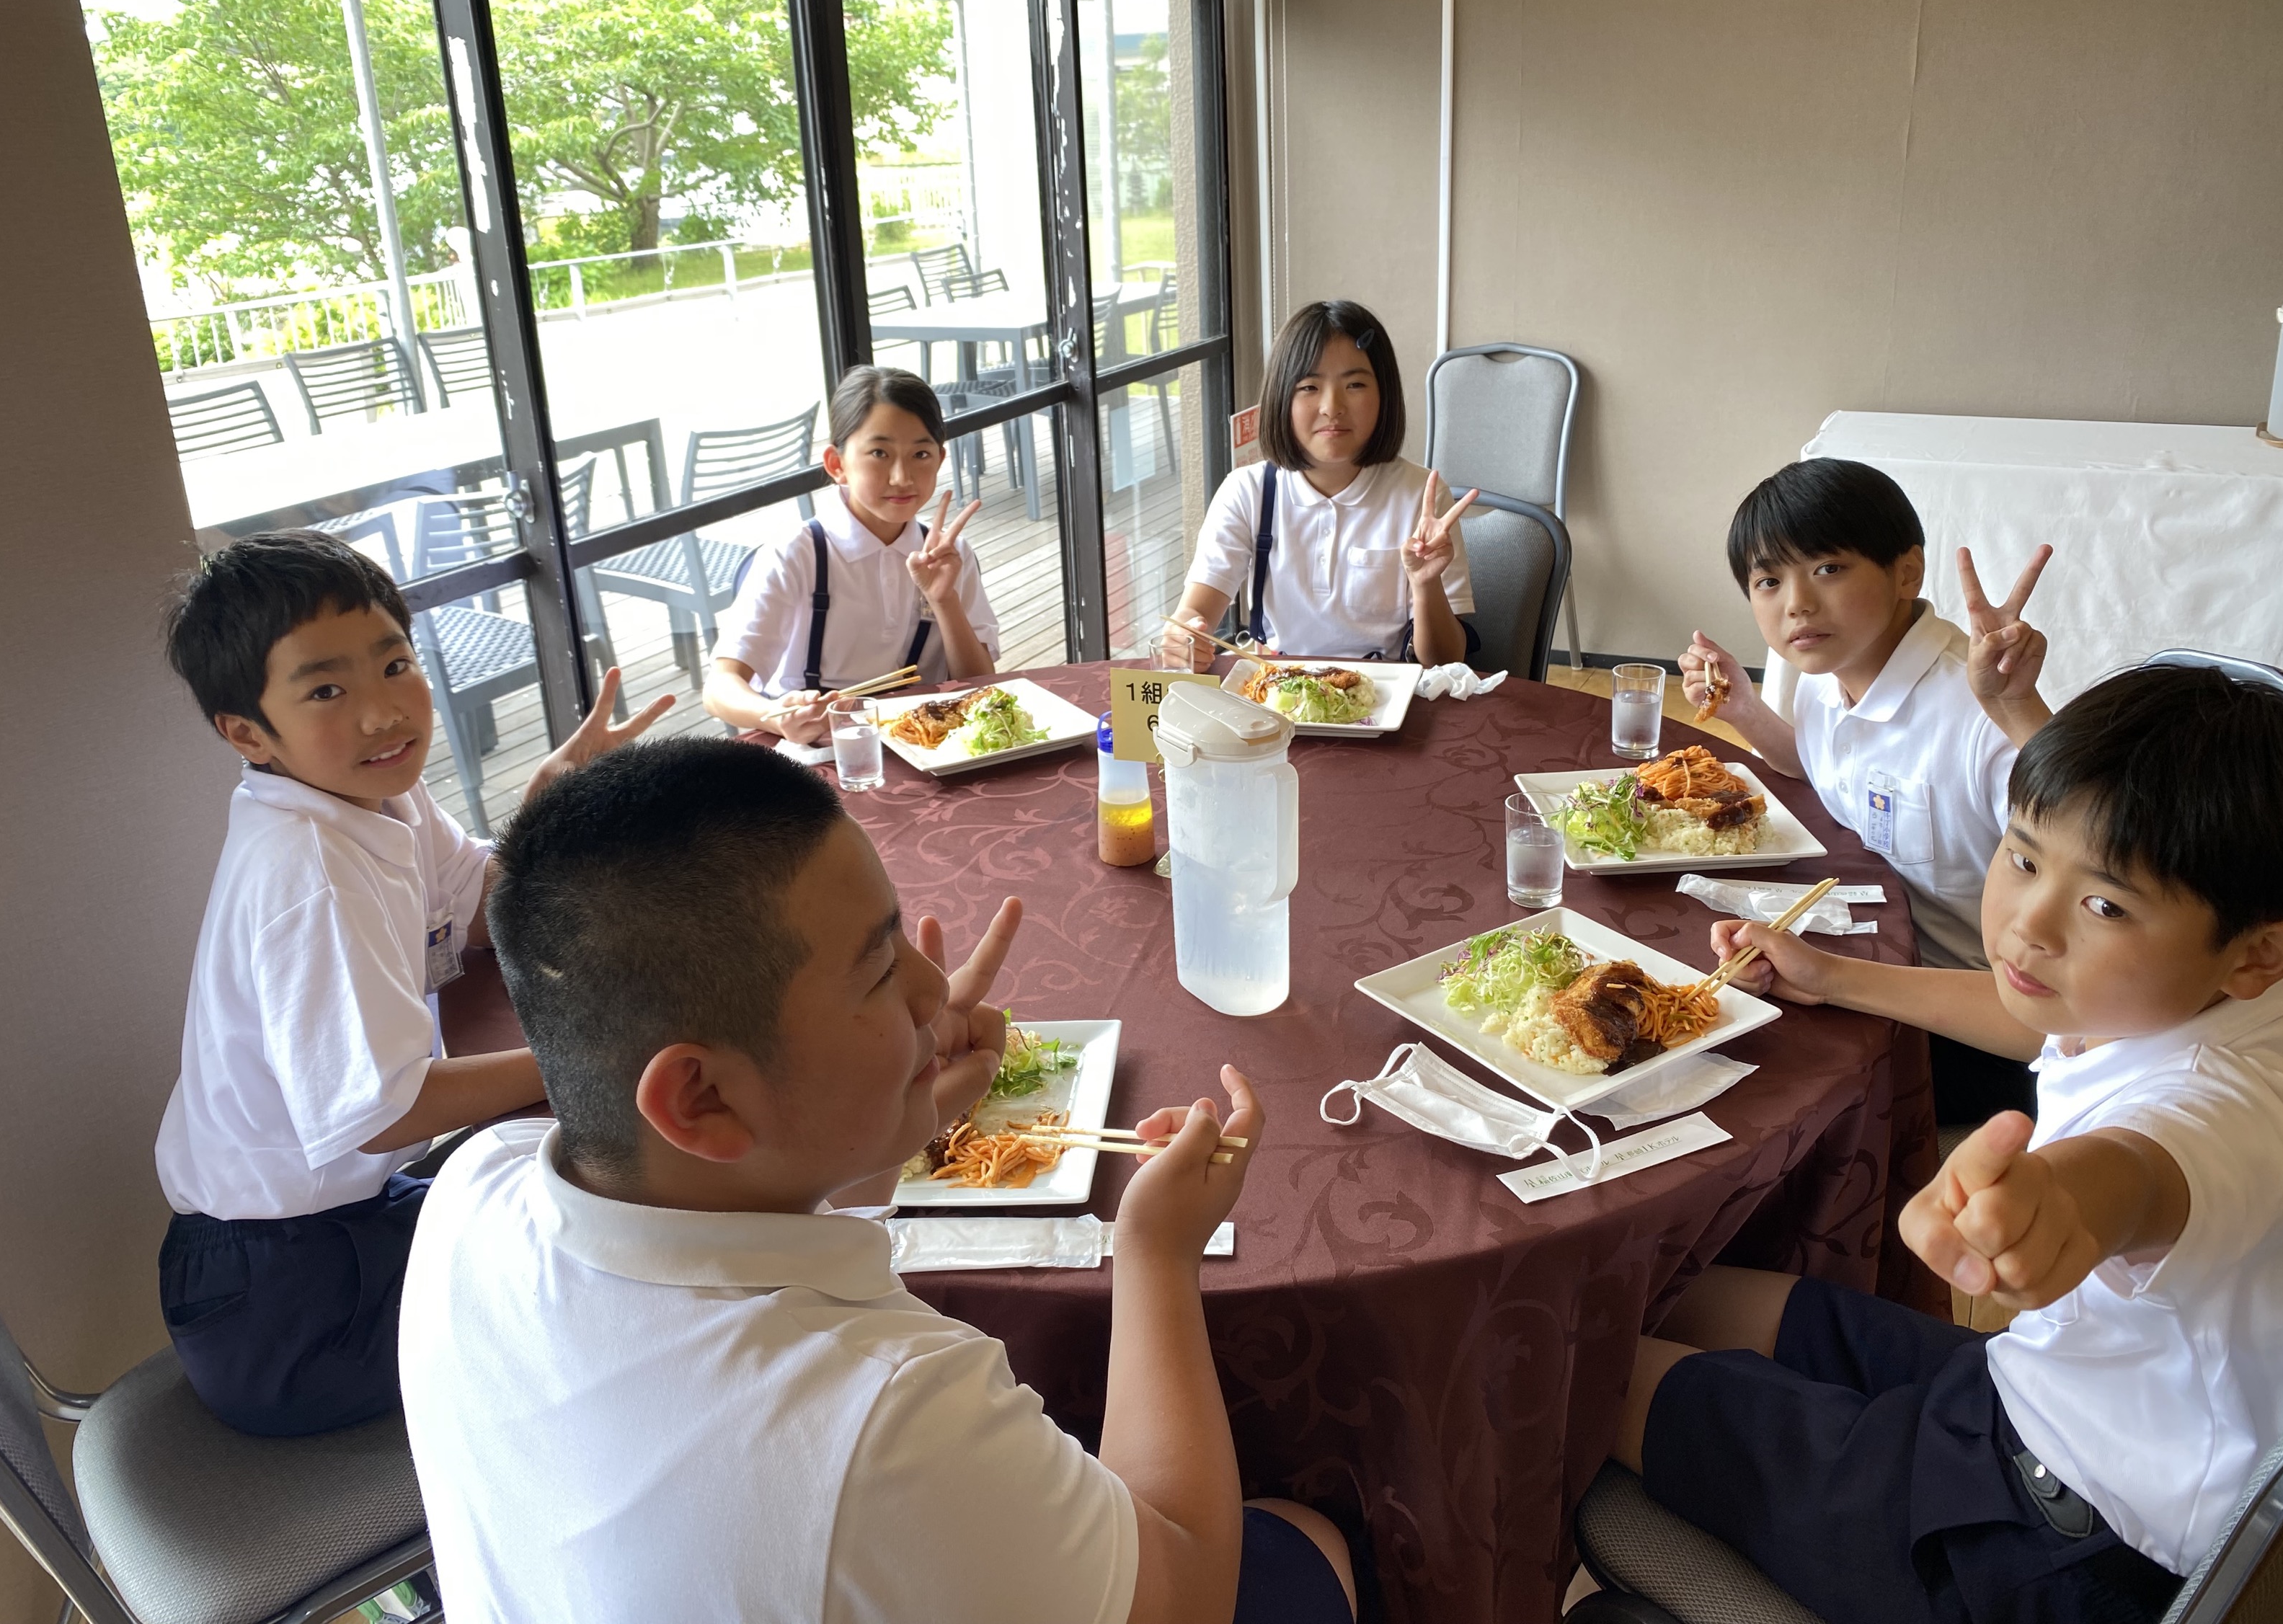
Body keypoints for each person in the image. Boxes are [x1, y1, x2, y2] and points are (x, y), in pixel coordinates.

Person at [399, 738, 1359, 1623]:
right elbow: (1189, 1592)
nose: (932, 991)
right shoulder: (884, 1420)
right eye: (874, 974)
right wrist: (1154, 1254)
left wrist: (888, 1105)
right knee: (1304, 1532)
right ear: (699, 1098)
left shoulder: (473, 1185)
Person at [1607, 665, 2283, 1623]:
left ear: (2261, 953)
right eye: (2024, 857)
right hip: (2038, 1397)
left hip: (2046, 1546)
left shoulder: (2227, 1117)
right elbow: (2036, 1016)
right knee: (1667, 1289)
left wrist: (2048, 1206)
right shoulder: (2193, 1002)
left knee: (1581, 1369)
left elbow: (2141, 1171)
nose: (2027, 927)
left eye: (2107, 905)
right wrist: (1829, 976)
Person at [154, 530, 670, 1435]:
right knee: (627, 1286)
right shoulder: (308, 870)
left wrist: (551, 804)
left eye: (395, 665)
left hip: (338, 1224)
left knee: (598, 1213)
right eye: (327, 690)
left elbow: (477, 905)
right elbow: (383, 1111)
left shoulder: (377, 798)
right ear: (246, 733)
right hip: (279, 1304)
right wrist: (589, 1056)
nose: (383, 713)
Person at [1677, 456, 2054, 1122]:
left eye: (1828, 568)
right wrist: (1744, 711)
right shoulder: (1829, 678)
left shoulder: (1979, 713)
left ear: (1907, 573)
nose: (1797, 602)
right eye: (1769, 581)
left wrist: (2021, 712)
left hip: (1993, 1022)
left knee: (1742, 1078)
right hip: (1879, 952)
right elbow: (1817, 766)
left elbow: (2099, 837)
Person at [1165, 298, 1477, 668]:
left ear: (1384, 395)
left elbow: (1446, 660)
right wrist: (1184, 638)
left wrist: (1425, 585)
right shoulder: (1248, 491)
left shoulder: (1421, 495)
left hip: (1388, 697)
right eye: (1310, 387)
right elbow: (1194, 614)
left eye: (1355, 384)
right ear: (1282, 397)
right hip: (1278, 693)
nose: (1332, 407)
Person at [704, 365, 998, 747]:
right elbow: (719, 688)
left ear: (940, 459)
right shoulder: (797, 554)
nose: (902, 477)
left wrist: (944, 601)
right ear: (836, 464)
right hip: (816, 748)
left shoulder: (949, 553)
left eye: (920, 454)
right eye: (879, 453)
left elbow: (980, 685)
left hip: (925, 745)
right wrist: (776, 717)